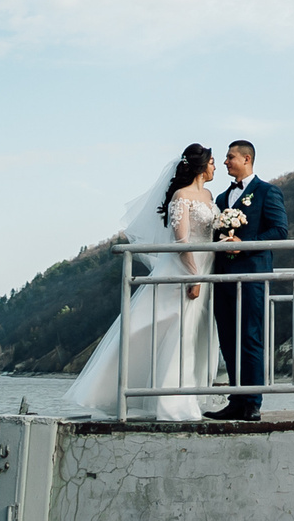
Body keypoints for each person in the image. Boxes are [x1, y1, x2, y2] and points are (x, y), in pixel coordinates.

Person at [62, 143, 221, 420]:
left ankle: (188, 395)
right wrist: (194, 275)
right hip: (186, 269)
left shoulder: (208, 195)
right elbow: (181, 241)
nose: (215, 167)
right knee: (176, 331)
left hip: (208, 267)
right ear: (200, 166)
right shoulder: (181, 196)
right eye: (212, 162)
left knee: (196, 332)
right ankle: (171, 403)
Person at [208, 139, 289, 420]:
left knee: (250, 337)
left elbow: (279, 231)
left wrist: (245, 243)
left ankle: (253, 402)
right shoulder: (221, 199)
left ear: (247, 159)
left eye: (230, 157)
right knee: (228, 339)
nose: (225, 162)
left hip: (252, 275)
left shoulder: (267, 192)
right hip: (222, 277)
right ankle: (236, 400)